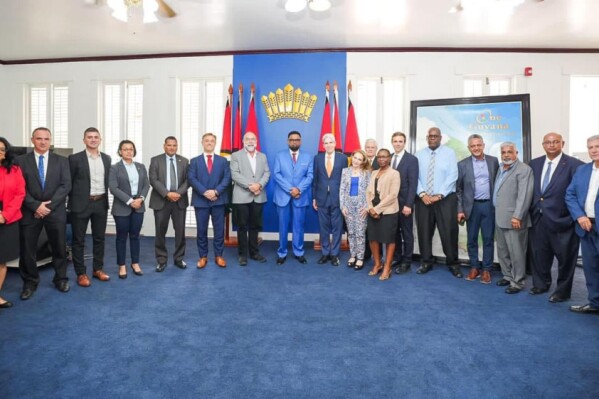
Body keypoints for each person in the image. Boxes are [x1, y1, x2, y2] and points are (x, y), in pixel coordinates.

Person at [17, 127, 72, 300]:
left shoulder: (62, 161)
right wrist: (35, 206)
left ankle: (60, 279)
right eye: (39, 138)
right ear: (32, 139)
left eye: (46, 139)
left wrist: (47, 207)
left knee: (59, 247)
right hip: (29, 212)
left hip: (55, 211)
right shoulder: (20, 161)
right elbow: (19, 188)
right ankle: (30, 282)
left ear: (50, 140)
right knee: (27, 250)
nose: (43, 142)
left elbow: (66, 186)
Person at [529, 132, 583, 302]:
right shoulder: (534, 163)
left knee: (566, 259)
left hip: (563, 221)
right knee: (540, 255)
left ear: (562, 143)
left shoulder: (575, 165)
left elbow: (578, 194)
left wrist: (573, 217)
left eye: (555, 142)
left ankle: (562, 291)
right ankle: (541, 284)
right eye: (548, 142)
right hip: (538, 218)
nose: (551, 145)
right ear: (543, 144)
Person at [415, 127, 462, 278]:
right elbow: (414, 176)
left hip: (445, 199)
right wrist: (422, 194)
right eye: (430, 136)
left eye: (436, 136)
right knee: (424, 232)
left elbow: (453, 175)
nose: (433, 138)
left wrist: (440, 194)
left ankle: (453, 263)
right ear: (427, 137)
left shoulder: (449, 153)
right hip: (424, 199)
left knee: (448, 232)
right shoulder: (419, 154)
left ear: (440, 138)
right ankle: (426, 262)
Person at [68, 127, 112, 287]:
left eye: (96, 137)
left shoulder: (107, 159)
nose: (93, 139)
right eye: (89, 137)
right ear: (84, 140)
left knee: (99, 238)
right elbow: (69, 183)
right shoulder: (74, 159)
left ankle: (97, 269)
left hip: (101, 202)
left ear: (100, 140)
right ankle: (81, 273)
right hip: (81, 204)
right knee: (78, 240)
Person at [456, 134, 499, 284]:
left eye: (478, 145)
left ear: (483, 145)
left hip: (489, 206)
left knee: (488, 239)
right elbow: (459, 190)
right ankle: (474, 267)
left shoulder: (494, 161)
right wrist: (460, 210)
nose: (476, 148)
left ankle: (487, 269)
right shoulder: (462, 164)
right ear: (469, 148)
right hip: (471, 207)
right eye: (473, 146)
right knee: (472, 239)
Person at [493, 142, 533, 294]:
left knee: (517, 252)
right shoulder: (501, 167)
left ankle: (517, 282)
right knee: (503, 250)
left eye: (510, 152)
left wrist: (518, 216)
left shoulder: (524, 169)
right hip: (500, 217)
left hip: (514, 219)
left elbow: (524, 195)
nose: (506, 155)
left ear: (516, 153)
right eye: (503, 152)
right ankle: (507, 276)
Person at [565, 135, 599, 314]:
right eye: (590, 147)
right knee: (591, 268)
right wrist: (580, 216)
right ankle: (595, 303)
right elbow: (569, 195)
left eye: (597, 146)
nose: (594, 150)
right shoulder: (582, 170)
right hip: (586, 227)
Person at [188, 133, 231, 269]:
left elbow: (227, 179)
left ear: (215, 143)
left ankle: (219, 256)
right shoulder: (194, 161)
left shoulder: (223, 161)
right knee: (201, 230)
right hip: (201, 201)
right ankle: (203, 256)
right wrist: (205, 192)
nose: (209, 143)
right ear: (202, 142)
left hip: (218, 200)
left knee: (219, 230)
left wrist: (216, 191)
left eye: (212, 141)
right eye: (207, 140)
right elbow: (191, 178)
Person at [109, 140, 149, 279]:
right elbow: (113, 188)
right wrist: (130, 201)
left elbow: (146, 185)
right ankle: (121, 265)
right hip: (122, 207)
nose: (128, 151)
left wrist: (141, 198)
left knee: (135, 235)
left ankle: (135, 263)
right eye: (125, 149)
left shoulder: (140, 166)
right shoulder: (115, 168)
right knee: (121, 237)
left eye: (131, 149)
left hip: (139, 206)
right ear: (120, 151)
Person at [149, 136, 189, 272]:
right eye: (169, 145)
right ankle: (161, 260)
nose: (172, 147)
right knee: (160, 231)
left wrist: (178, 193)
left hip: (179, 201)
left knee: (180, 232)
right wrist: (167, 193)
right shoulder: (155, 160)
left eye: (174, 145)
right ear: (164, 146)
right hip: (161, 200)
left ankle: (179, 258)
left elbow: (188, 180)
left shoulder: (184, 161)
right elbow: (153, 180)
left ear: (177, 146)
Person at [273, 131, 313, 265]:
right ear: (287, 141)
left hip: (300, 196)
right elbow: (277, 174)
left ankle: (298, 252)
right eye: (292, 140)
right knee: (283, 226)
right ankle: (282, 252)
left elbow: (310, 176)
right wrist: (291, 189)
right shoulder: (279, 155)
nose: (294, 142)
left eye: (297, 140)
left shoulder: (308, 157)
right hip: (283, 196)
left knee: (298, 226)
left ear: (300, 141)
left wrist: (299, 189)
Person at [230, 132, 270, 266]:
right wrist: (250, 186)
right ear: (243, 141)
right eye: (247, 139)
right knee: (242, 227)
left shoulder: (262, 156)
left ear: (256, 141)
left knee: (255, 226)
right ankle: (242, 255)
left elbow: (266, 173)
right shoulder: (236, 155)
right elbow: (234, 174)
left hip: (258, 196)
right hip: (241, 196)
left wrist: (259, 185)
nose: (250, 141)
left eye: (253, 139)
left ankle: (254, 252)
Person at [312, 133, 348, 266]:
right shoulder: (317, 158)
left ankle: (335, 254)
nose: (328, 145)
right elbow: (315, 179)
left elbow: (346, 180)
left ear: (335, 143)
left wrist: (345, 199)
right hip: (321, 197)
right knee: (323, 227)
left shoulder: (343, 158)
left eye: (330, 142)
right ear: (323, 145)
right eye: (326, 143)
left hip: (337, 197)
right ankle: (325, 253)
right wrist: (314, 197)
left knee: (337, 227)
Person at [366, 149, 400, 281]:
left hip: (388, 211)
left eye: (384, 157)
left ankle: (387, 267)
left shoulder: (394, 174)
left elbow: (393, 195)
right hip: (373, 210)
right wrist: (370, 208)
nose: (381, 159)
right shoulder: (374, 172)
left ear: (389, 158)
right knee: (373, 238)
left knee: (389, 240)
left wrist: (377, 209)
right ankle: (377, 264)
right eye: (379, 157)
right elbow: (368, 192)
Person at [0, 137, 26, 308]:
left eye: (2, 148)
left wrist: (5, 215)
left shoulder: (14, 170)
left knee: (1, 259)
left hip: (7, 217)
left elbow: (20, 194)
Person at [390, 132, 419, 274]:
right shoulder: (388, 158)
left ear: (404, 143)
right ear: (392, 142)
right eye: (395, 141)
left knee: (407, 233)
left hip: (404, 204)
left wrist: (409, 204)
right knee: (394, 232)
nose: (397, 143)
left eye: (400, 141)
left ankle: (407, 261)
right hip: (390, 204)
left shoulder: (412, 160)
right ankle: (397, 257)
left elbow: (413, 184)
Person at [340, 150, 371, 270]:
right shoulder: (345, 171)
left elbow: (370, 192)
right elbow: (342, 189)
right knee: (351, 233)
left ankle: (360, 258)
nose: (356, 161)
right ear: (351, 157)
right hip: (348, 207)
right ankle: (352, 255)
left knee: (360, 234)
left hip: (362, 207)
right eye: (355, 158)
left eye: (359, 159)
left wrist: (368, 207)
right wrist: (342, 206)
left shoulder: (367, 173)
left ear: (363, 161)